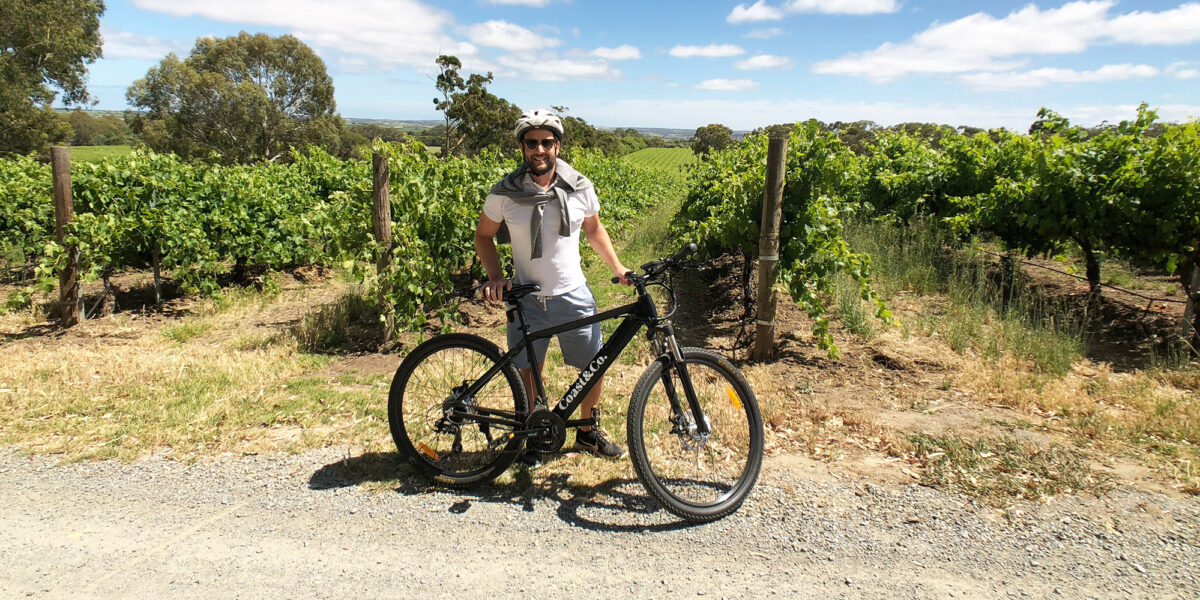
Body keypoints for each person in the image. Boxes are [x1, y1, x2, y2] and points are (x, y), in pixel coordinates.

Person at [474, 109, 630, 465]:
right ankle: (535, 435)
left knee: (594, 366)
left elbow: (594, 230)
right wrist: (497, 277)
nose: (539, 149)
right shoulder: (505, 193)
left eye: (547, 142)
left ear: (557, 145)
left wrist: (619, 268)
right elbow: (484, 237)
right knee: (529, 373)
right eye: (532, 143)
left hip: (573, 293)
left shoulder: (580, 187)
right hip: (527, 298)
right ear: (522, 147)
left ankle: (588, 433)